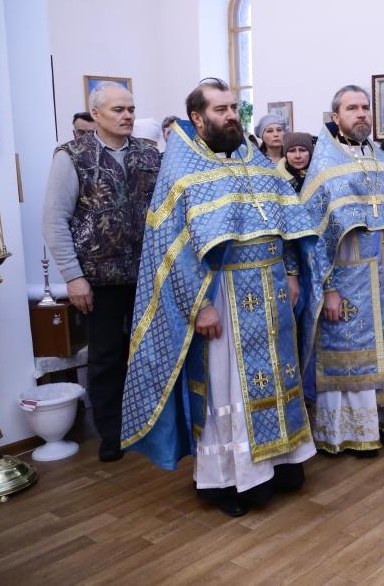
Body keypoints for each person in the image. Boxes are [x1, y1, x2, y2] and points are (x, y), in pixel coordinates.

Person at [120, 78, 316, 517]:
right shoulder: (182, 170)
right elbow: (170, 250)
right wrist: (200, 305)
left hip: (272, 292)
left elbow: (285, 223)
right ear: (197, 117)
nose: (231, 116)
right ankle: (231, 480)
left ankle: (282, 464)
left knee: (279, 377)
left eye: (233, 107)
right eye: (221, 109)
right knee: (230, 387)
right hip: (224, 295)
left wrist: (290, 271)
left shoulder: (255, 161)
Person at [299, 85, 384, 457]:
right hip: (347, 280)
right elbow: (314, 238)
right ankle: (353, 430)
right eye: (352, 108)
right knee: (351, 355)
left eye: (365, 107)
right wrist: (327, 288)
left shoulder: (381, 161)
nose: (361, 113)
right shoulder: (325, 167)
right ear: (336, 116)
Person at [42, 82, 160, 463]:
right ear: (96, 114)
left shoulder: (149, 153)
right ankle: (112, 432)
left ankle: (149, 425)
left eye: (131, 109)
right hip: (99, 278)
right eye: (118, 110)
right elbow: (55, 220)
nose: (127, 116)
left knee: (147, 352)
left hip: (146, 275)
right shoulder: (72, 156)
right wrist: (73, 276)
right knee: (106, 357)